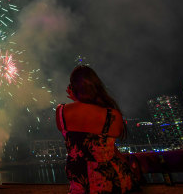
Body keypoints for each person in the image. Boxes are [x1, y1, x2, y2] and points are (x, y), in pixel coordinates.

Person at [56, 65, 137, 194]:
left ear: (72, 87)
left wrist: (77, 100)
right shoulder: (113, 115)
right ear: (96, 86)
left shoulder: (61, 112)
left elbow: (77, 130)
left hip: (80, 186)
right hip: (112, 182)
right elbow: (109, 147)